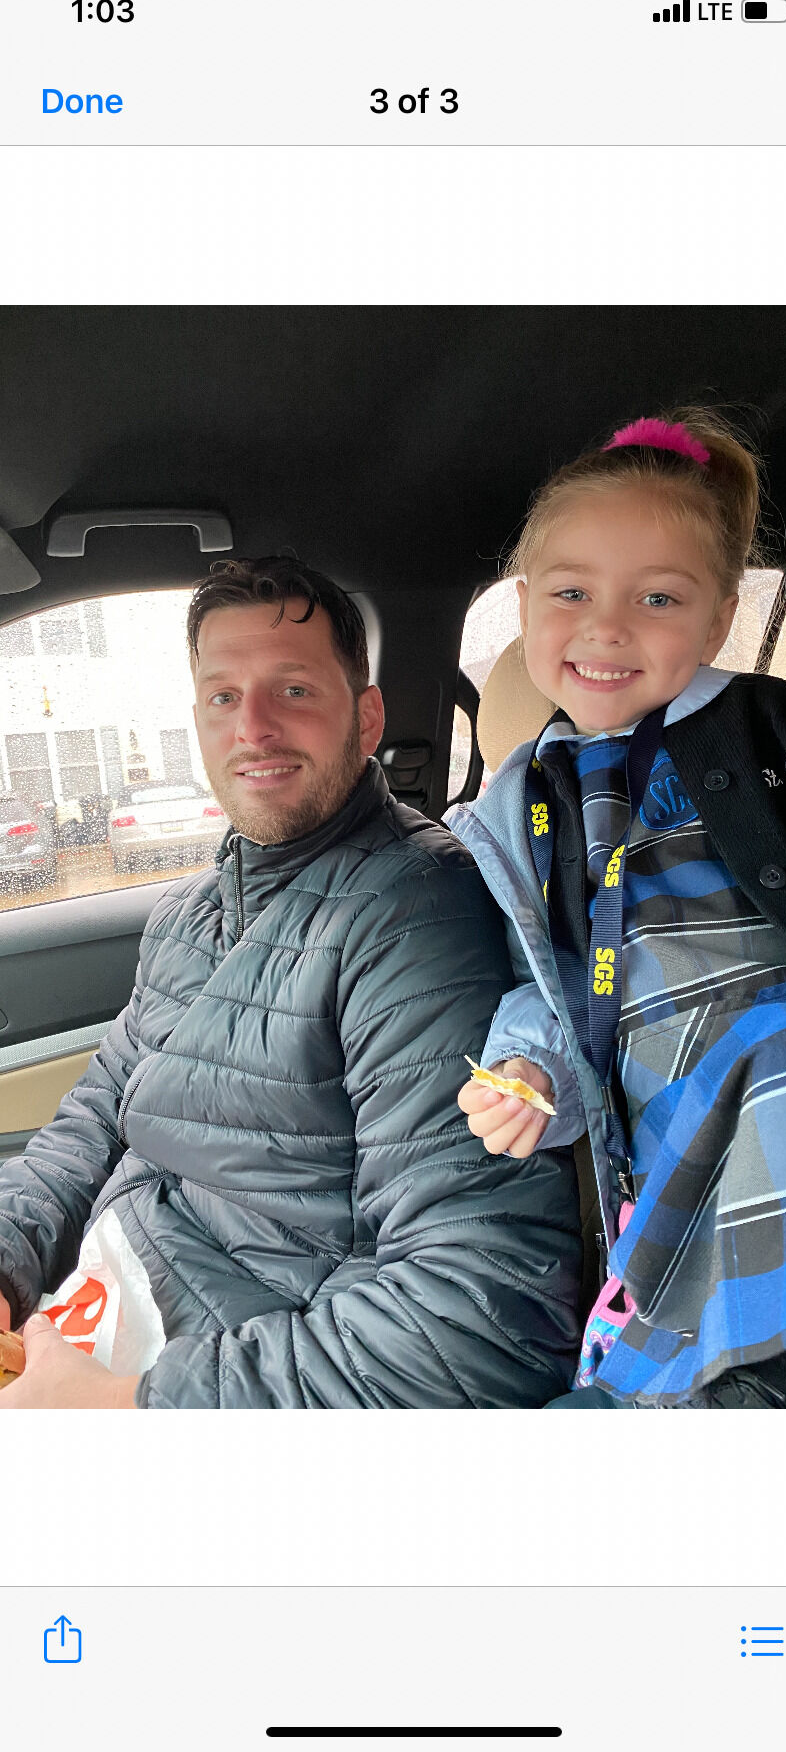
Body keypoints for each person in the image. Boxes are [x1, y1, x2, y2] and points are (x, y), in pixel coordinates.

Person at [0, 557, 582, 1410]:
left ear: (367, 717)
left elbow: (479, 1319)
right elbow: (93, 1121)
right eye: (222, 697)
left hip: (208, 1377)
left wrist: (129, 1407)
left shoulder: (416, 913)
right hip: (92, 1313)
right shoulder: (189, 912)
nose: (254, 727)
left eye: (294, 690)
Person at [449, 409, 786, 1408]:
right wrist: (528, 1069)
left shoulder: (783, 730)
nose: (607, 627)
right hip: (666, 1123)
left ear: (716, 622)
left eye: (657, 598)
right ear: (526, 608)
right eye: (572, 592)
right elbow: (548, 983)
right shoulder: (523, 805)